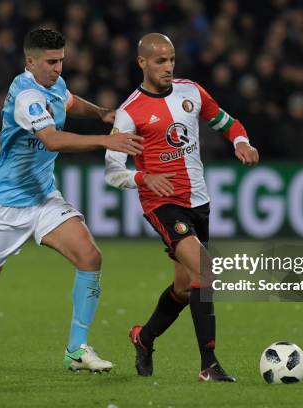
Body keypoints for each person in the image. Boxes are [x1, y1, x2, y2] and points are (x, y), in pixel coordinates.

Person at [0, 28, 143, 376]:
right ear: (30, 61)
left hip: (43, 198)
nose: (58, 68)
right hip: (5, 206)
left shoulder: (55, 84)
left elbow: (69, 101)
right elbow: (50, 140)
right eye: (51, 62)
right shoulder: (26, 97)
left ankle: (75, 350)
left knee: (90, 256)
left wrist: (101, 113)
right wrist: (105, 141)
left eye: (62, 61)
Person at [105, 33, 259, 382]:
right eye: (160, 61)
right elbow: (113, 173)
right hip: (162, 204)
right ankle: (209, 365)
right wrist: (144, 179)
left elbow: (226, 122)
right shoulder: (130, 113)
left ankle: (143, 339)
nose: (168, 67)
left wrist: (242, 142)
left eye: (172, 59)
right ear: (142, 62)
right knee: (206, 271)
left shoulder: (190, 91)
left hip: (198, 201)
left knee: (184, 288)